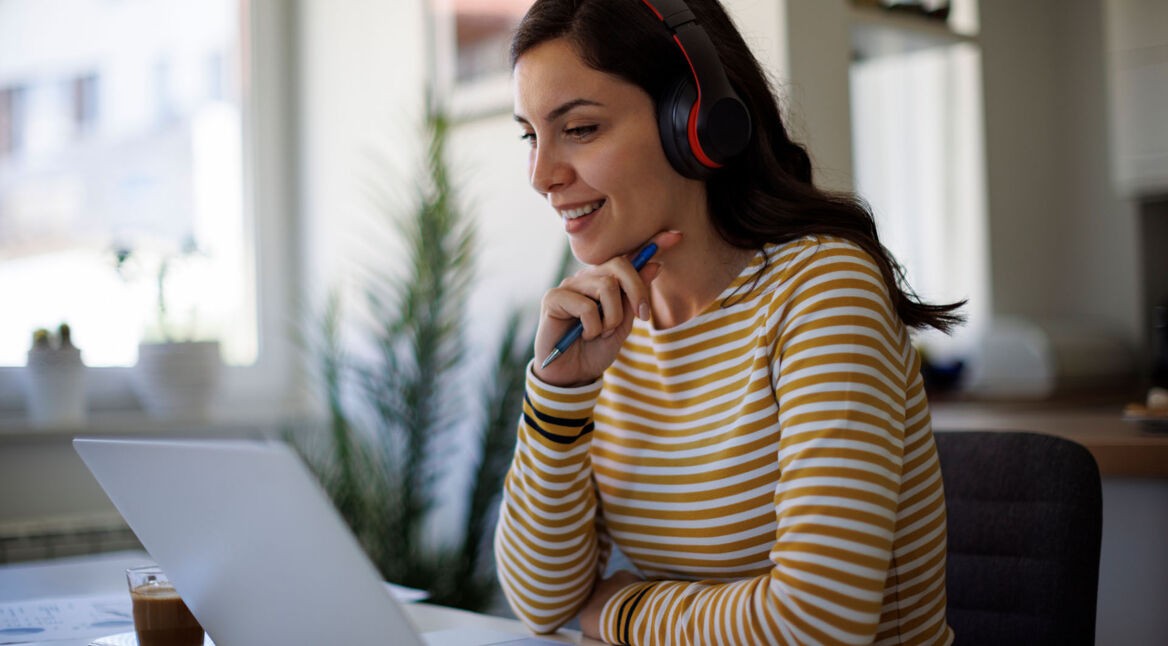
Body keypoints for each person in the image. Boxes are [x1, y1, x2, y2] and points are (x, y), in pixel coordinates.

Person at [493, 0, 963, 643]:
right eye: (530, 136)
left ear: (695, 121)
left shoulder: (822, 291)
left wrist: (621, 612)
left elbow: (818, 624)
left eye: (579, 129)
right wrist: (559, 393)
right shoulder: (607, 325)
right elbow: (541, 600)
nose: (541, 176)